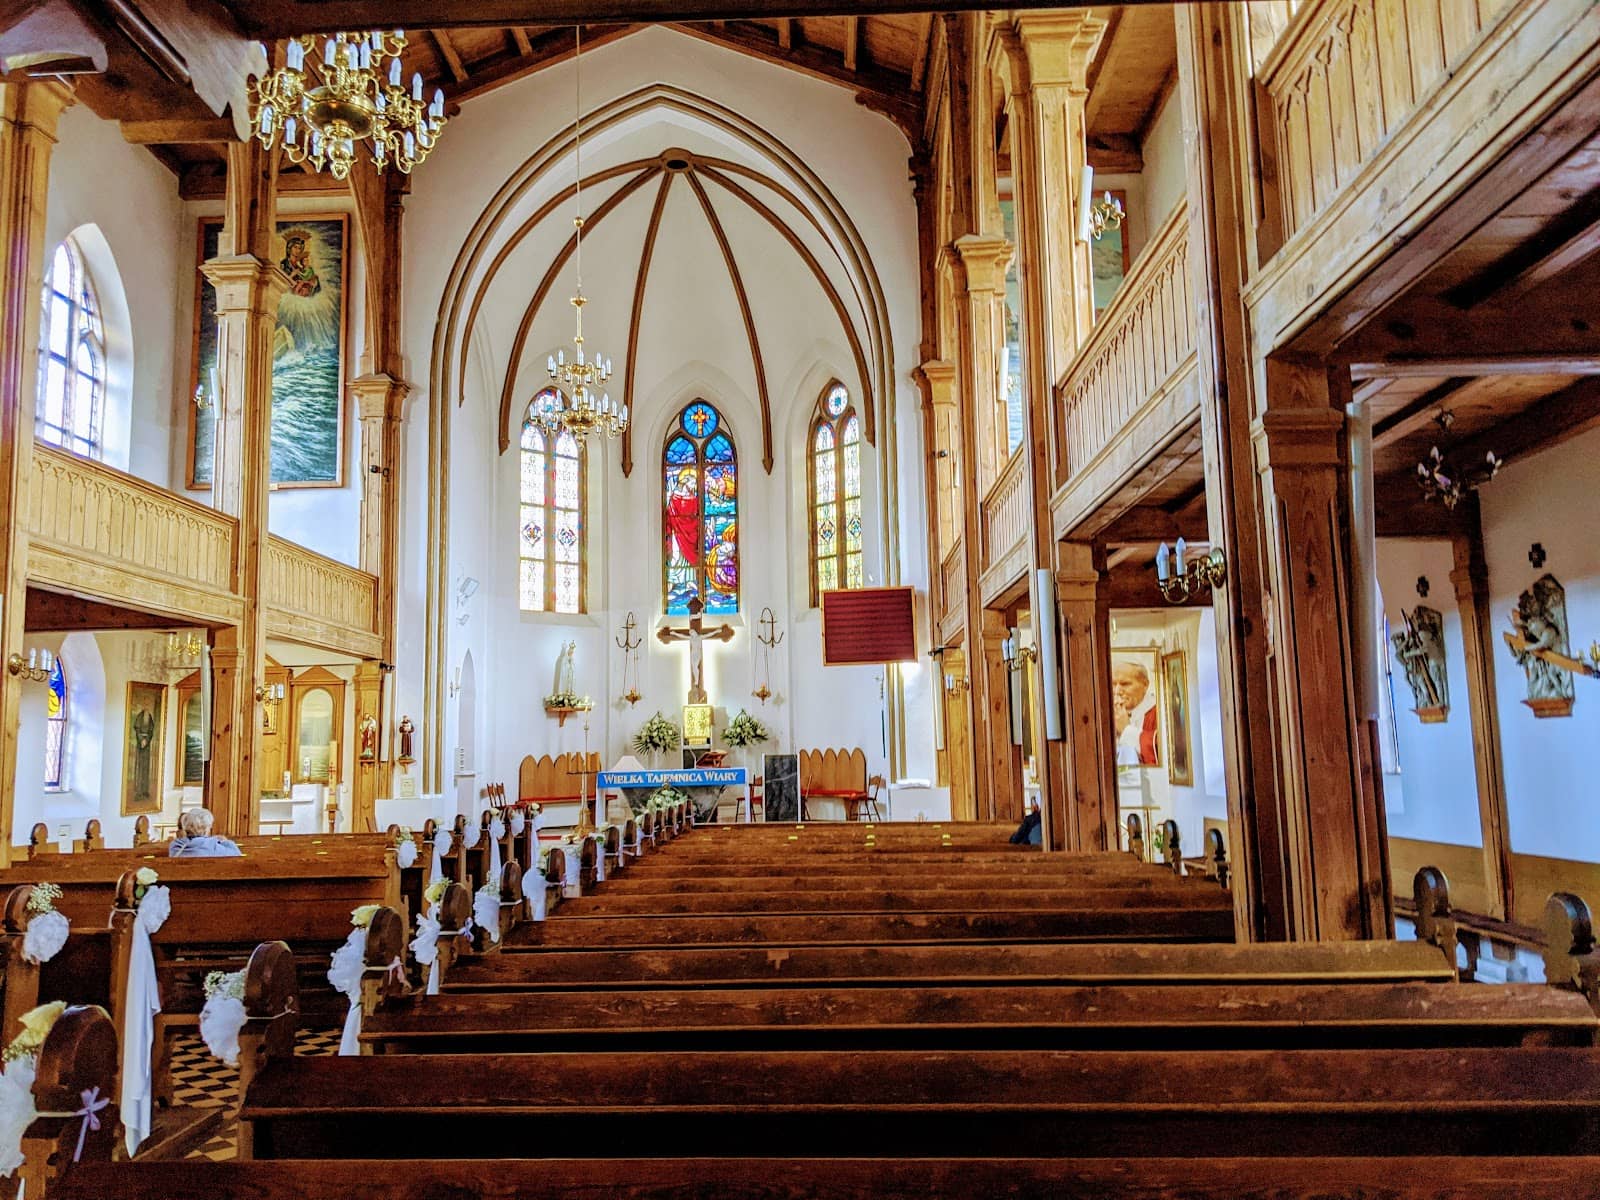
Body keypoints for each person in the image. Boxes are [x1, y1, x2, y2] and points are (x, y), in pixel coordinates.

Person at [1111, 660, 1159, 766]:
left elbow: (1160, 750)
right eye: (1114, 684)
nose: (1117, 691)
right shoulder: (1108, 712)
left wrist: (1126, 730)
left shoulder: (1159, 713)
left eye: (1125, 684)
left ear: (1145, 685)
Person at [168, 808, 242, 858]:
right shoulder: (213, 846)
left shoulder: (176, 846)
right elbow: (236, 855)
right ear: (206, 829)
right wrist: (225, 841)